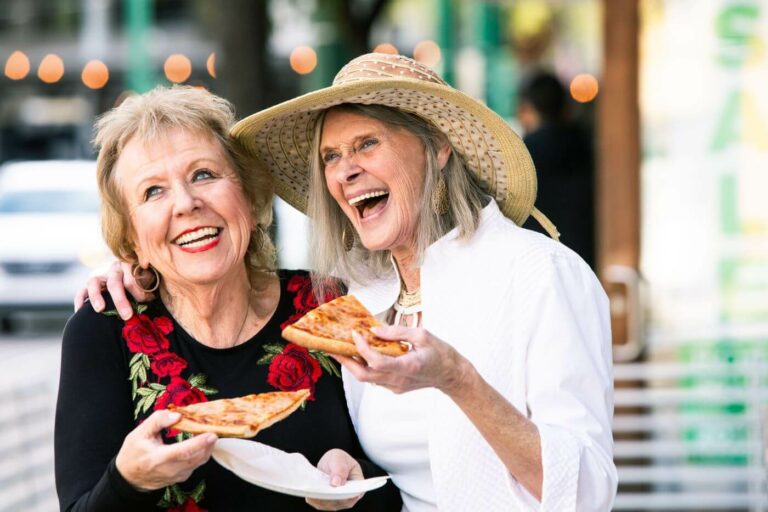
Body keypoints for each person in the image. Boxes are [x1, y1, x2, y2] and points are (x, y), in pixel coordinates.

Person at [82, 54, 617, 511]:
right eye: (331, 157)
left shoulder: (538, 274)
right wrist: (141, 265)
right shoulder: (357, 295)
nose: (345, 171)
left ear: (438, 147)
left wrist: (456, 378)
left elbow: (588, 491)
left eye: (367, 144)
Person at [56, 86, 401, 512]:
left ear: (252, 198)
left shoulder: (329, 306)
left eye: (203, 174)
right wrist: (126, 481)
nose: (186, 203)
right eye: (153, 192)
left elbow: (407, 483)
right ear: (131, 237)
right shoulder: (105, 331)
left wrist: (355, 480)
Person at [517, 71, 596, 268]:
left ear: (527, 109)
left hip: (542, 262)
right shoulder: (584, 145)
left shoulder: (524, 155)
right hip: (588, 257)